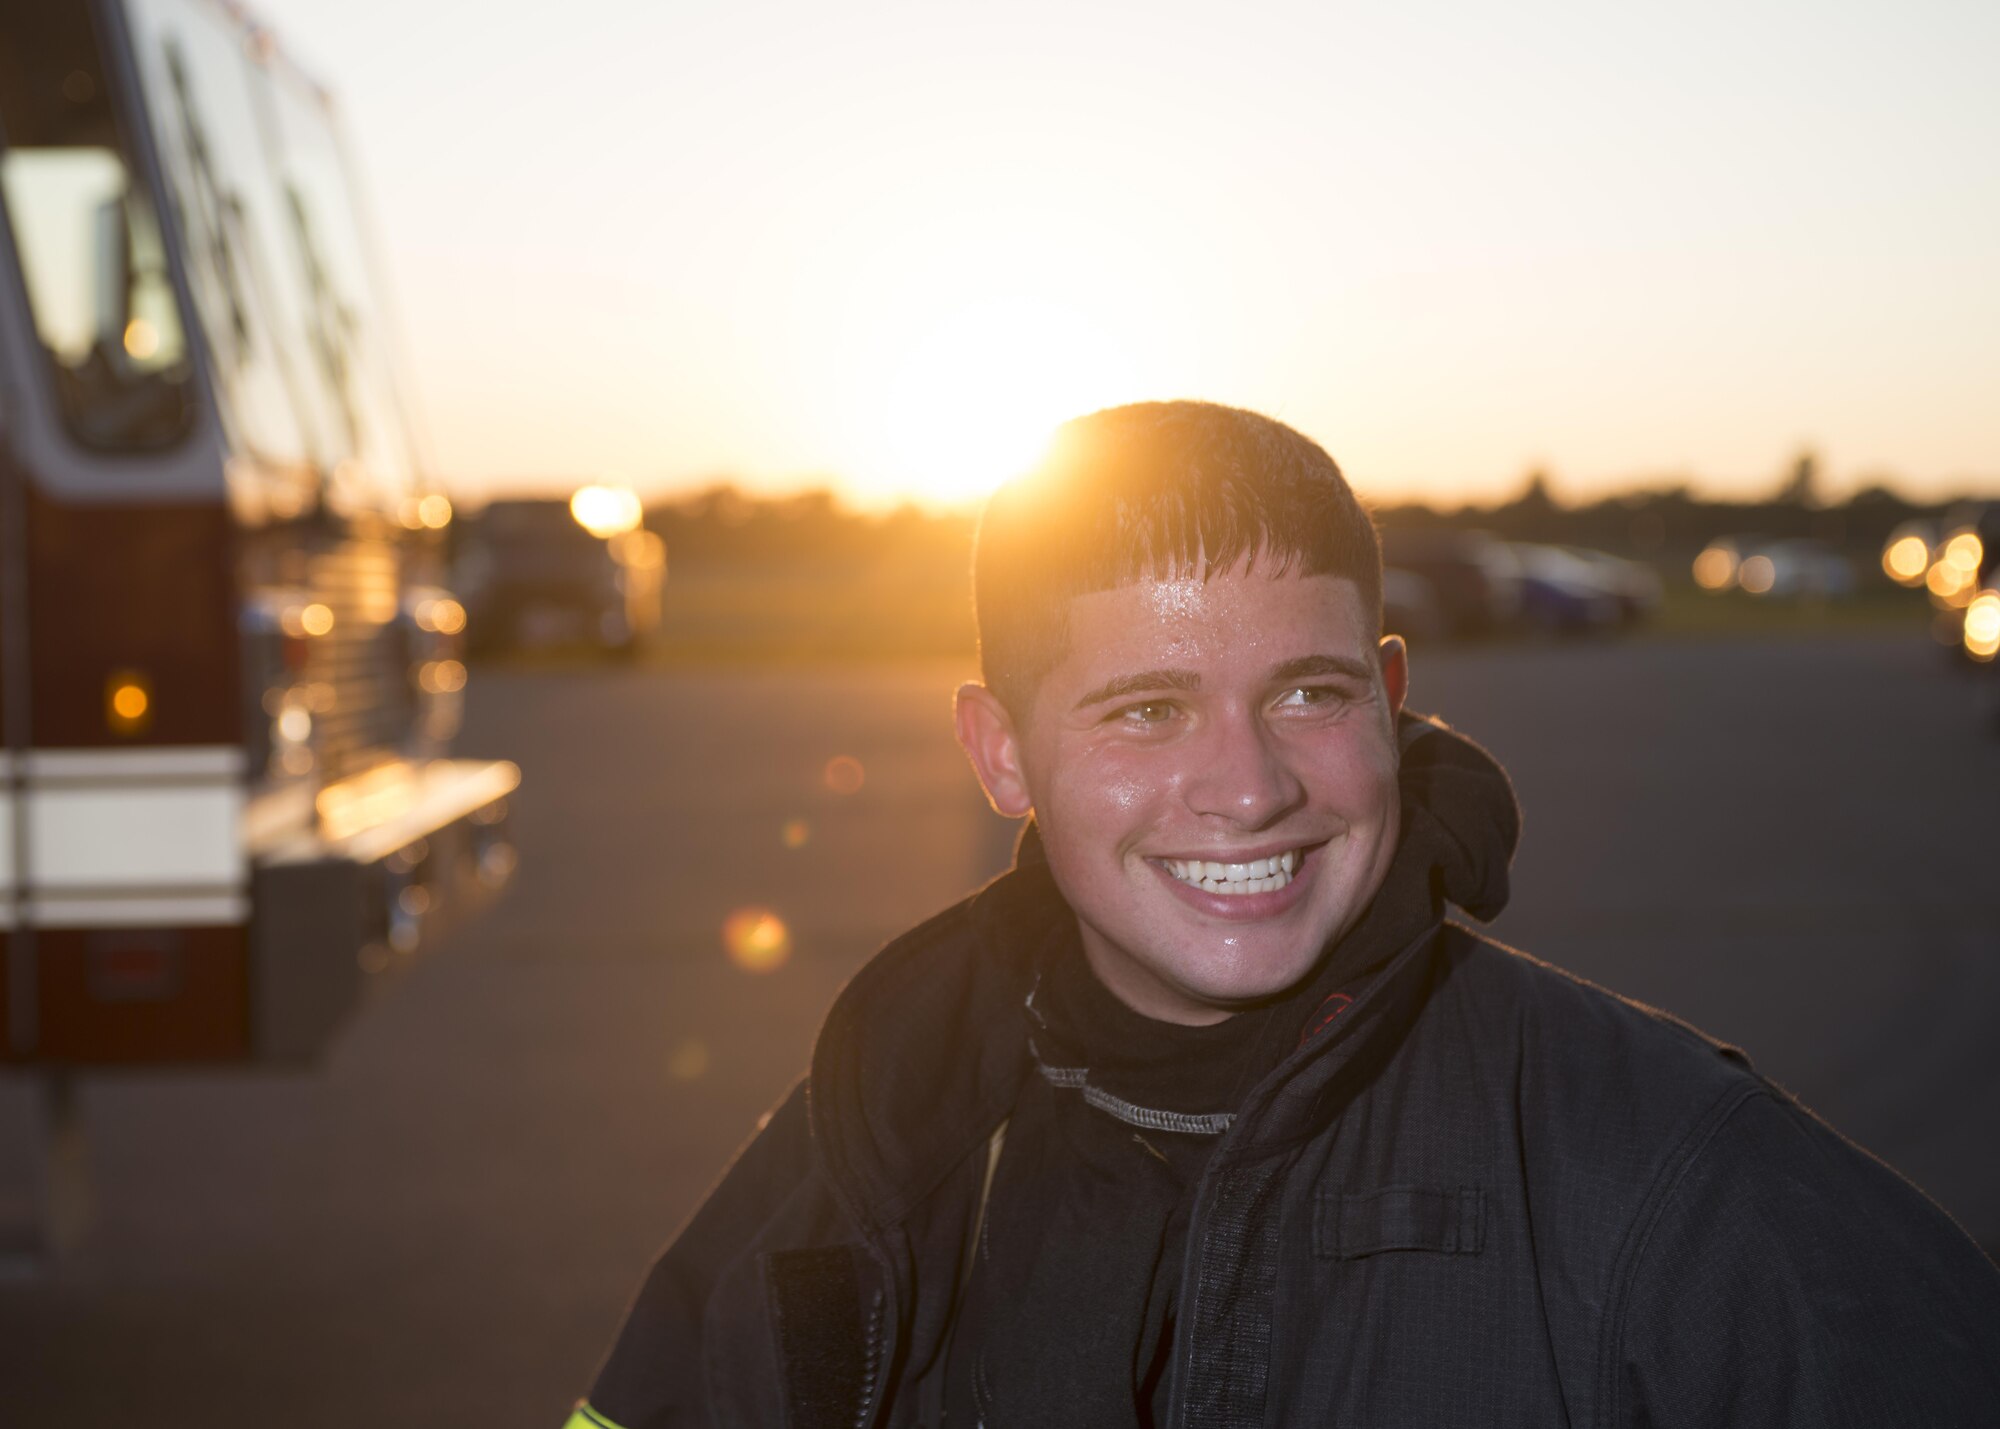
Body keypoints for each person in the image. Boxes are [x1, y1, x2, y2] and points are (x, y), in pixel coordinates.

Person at [567, 402, 2000, 1429]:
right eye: (1147, 708)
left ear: (1387, 696)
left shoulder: (1682, 1185)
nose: (1248, 790)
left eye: (1307, 694)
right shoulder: (866, 1132)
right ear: (1000, 752)